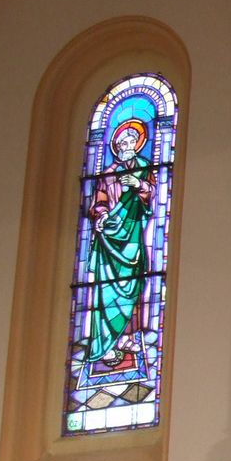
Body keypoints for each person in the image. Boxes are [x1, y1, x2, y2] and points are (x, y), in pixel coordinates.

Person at [85, 118, 155, 367]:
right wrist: (102, 215)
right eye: (123, 143)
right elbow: (99, 201)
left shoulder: (145, 167)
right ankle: (106, 343)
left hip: (133, 236)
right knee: (108, 292)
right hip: (110, 240)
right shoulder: (108, 174)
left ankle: (128, 338)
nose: (127, 146)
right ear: (116, 147)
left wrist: (139, 184)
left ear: (138, 144)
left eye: (131, 141)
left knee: (134, 287)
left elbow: (151, 193)